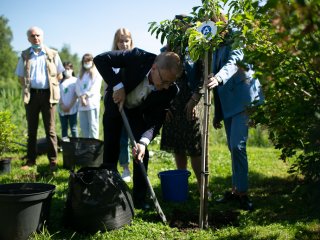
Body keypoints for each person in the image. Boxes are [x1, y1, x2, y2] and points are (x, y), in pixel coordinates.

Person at [93, 48, 182, 210]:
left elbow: (157, 119)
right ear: (154, 68)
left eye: (170, 82)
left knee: (142, 153)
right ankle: (108, 192)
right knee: (111, 149)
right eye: (163, 81)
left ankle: (139, 199)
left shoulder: (170, 90)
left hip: (136, 113)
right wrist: (117, 85)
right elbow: (100, 59)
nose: (165, 87)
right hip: (116, 103)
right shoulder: (137, 57)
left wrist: (143, 142)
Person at [206, 26, 264, 211]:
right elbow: (212, 82)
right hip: (228, 103)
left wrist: (219, 77)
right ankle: (236, 190)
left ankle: (243, 193)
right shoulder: (213, 47)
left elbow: (234, 61)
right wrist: (218, 113)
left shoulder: (236, 36)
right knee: (232, 147)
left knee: (237, 145)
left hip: (243, 99)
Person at [160, 14, 204, 189]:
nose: (180, 30)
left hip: (191, 102)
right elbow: (159, 80)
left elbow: (202, 77)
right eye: (177, 27)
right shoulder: (165, 51)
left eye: (184, 27)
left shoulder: (197, 50)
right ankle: (181, 185)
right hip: (173, 103)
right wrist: (164, 106)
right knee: (178, 146)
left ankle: (203, 188)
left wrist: (195, 99)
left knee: (195, 146)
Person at [15, 26, 65, 171]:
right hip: (31, 96)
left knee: (50, 130)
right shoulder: (25, 55)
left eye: (38, 35)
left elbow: (60, 74)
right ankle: (31, 160)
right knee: (32, 130)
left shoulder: (53, 54)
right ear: (28, 39)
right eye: (32, 36)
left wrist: (52, 85)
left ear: (42, 37)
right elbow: (20, 76)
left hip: (48, 96)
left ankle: (53, 161)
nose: (35, 38)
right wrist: (28, 87)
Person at [110, 28, 134, 182]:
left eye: (127, 40)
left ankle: (137, 167)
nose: (124, 44)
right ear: (116, 43)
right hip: (117, 104)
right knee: (121, 139)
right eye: (121, 41)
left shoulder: (135, 58)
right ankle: (124, 168)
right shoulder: (111, 61)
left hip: (132, 104)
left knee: (134, 138)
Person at [75, 53, 103, 139]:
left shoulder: (97, 73)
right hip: (82, 104)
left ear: (92, 61)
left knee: (93, 126)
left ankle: (94, 147)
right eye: (85, 61)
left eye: (88, 60)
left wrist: (85, 96)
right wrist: (81, 97)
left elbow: (95, 88)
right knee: (84, 127)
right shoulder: (80, 75)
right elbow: (77, 87)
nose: (87, 62)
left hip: (92, 103)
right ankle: (86, 147)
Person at [58, 62, 78, 139]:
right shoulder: (60, 81)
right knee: (64, 128)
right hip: (62, 109)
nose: (66, 71)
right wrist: (62, 104)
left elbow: (76, 94)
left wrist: (69, 106)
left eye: (68, 69)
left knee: (73, 128)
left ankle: (75, 145)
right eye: (65, 69)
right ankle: (65, 145)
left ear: (72, 70)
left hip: (73, 108)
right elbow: (58, 93)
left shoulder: (75, 80)